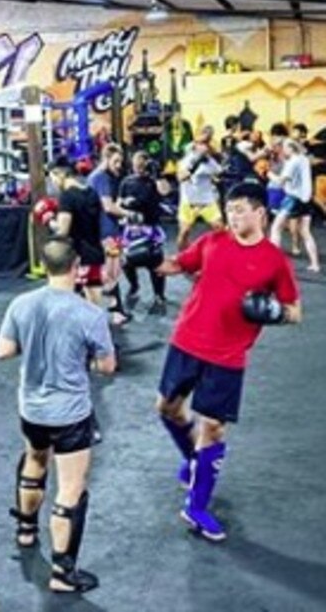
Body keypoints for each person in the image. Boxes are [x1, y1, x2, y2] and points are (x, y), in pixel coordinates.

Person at [155, 182, 301, 541]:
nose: (233, 217)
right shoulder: (213, 241)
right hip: (187, 340)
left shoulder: (274, 261)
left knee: (214, 428)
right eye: (230, 209)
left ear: (260, 214)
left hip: (228, 354)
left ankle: (197, 505)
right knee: (167, 408)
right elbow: (176, 265)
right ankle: (193, 461)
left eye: (240, 210)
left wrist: (274, 312)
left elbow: (295, 312)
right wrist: (143, 257)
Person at [0, 239, 115, 593]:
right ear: (77, 267)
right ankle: (63, 574)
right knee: (71, 487)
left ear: (45, 266)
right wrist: (85, 356)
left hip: (31, 409)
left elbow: (3, 351)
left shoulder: (21, 303)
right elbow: (107, 366)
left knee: (34, 461)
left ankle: (26, 530)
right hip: (70, 414)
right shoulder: (89, 313)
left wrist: (32, 343)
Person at [47, 161, 106, 309]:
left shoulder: (67, 196)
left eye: (52, 177)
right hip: (95, 253)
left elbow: (63, 231)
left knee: (68, 303)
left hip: (76, 256)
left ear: (60, 174)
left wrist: (48, 220)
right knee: (95, 305)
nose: (53, 183)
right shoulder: (92, 192)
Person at [118, 151, 171, 314]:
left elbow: (165, 191)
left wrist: (158, 174)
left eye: (142, 164)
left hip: (150, 227)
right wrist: (125, 205)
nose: (139, 168)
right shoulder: (126, 182)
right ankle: (134, 285)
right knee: (127, 262)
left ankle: (159, 294)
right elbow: (118, 202)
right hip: (132, 228)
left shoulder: (154, 181)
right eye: (136, 164)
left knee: (155, 262)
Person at [86, 143, 130, 323]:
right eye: (116, 161)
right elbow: (108, 206)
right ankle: (111, 312)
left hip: (105, 230)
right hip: (107, 232)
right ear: (105, 159)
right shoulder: (102, 178)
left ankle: (115, 310)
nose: (119, 165)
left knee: (112, 271)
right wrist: (131, 214)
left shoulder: (96, 177)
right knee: (111, 272)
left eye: (121, 161)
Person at [269, 139, 320, 273]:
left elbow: (280, 182)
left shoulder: (293, 162)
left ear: (291, 148)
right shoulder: (303, 159)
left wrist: (269, 174)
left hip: (293, 198)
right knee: (305, 231)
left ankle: (273, 263)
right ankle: (315, 264)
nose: (283, 150)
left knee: (276, 228)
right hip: (306, 198)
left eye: (285, 147)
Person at [176, 139, 223, 251]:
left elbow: (219, 173)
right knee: (184, 232)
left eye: (206, 144)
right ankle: (182, 258)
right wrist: (191, 169)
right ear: (195, 146)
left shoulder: (210, 161)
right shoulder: (186, 160)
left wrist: (214, 176)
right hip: (189, 202)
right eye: (201, 144)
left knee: (220, 229)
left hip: (207, 201)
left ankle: (222, 256)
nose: (204, 147)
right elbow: (180, 177)